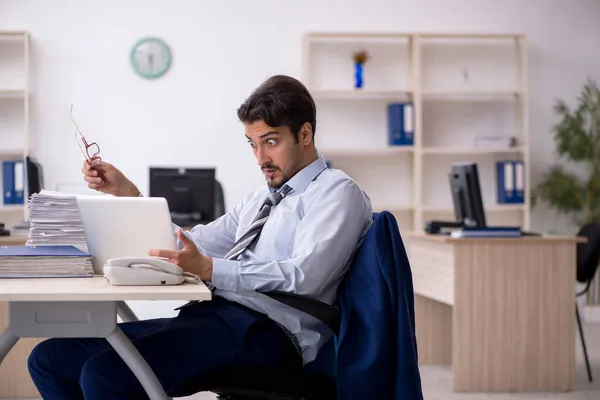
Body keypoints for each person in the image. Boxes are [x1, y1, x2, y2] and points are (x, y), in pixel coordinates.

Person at [27, 74, 373, 399]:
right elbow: (200, 241)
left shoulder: (336, 192)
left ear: (305, 134)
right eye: (252, 144)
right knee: (50, 358)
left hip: (270, 333)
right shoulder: (262, 197)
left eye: (271, 142)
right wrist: (129, 195)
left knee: (106, 373)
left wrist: (210, 270)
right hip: (214, 317)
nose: (260, 158)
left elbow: (304, 278)